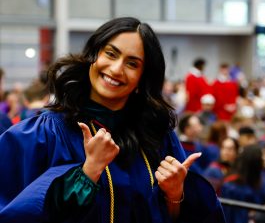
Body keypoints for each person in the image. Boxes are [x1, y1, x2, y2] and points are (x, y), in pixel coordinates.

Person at [0, 17, 225, 223]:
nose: (116, 69)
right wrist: (88, 173)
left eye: (132, 64)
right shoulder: (45, 134)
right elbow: (19, 211)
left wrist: (175, 194)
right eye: (111, 53)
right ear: (93, 56)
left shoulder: (157, 137)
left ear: (142, 79)